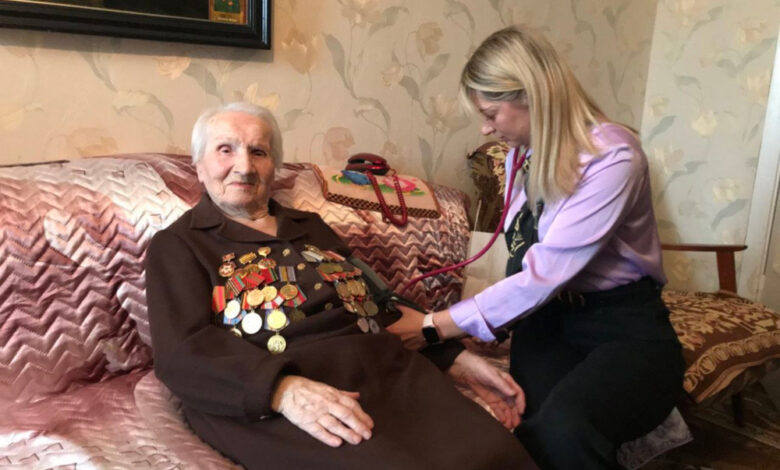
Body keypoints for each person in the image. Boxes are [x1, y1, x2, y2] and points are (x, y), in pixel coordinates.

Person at [145, 102, 536, 469]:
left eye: (258, 152)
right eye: (225, 150)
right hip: (285, 388)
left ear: (274, 166)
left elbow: (377, 300)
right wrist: (283, 391)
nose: (244, 167)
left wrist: (452, 358)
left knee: (497, 454)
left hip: (388, 370)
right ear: (199, 165)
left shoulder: (309, 226)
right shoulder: (180, 244)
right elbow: (182, 349)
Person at [390, 26, 685, 469]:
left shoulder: (613, 157)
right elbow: (524, 254)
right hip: (548, 320)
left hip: (621, 322)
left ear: (533, 94)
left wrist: (433, 327)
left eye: (491, 113)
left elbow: (543, 273)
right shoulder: (523, 154)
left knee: (565, 429)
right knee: (531, 427)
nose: (485, 128)